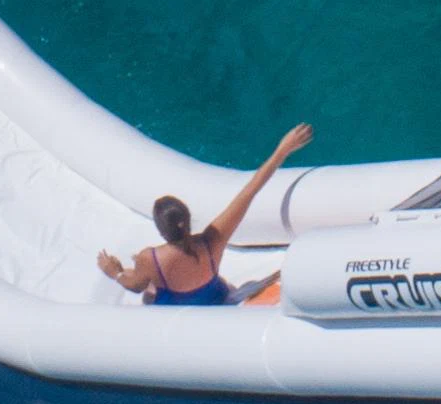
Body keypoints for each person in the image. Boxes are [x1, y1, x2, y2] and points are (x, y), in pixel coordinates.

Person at [100, 123, 310, 307]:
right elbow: (250, 191)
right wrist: (283, 149)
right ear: (188, 219)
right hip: (216, 298)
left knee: (148, 291)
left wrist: (115, 272)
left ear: (162, 231)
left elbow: (135, 286)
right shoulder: (213, 240)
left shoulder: (150, 258)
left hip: (177, 310)